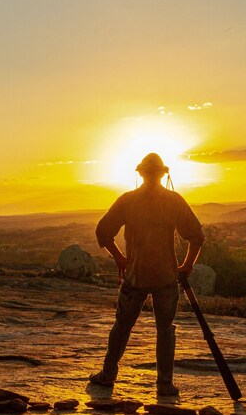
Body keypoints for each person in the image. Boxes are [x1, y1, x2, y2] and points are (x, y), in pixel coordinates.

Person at [88, 152, 205, 396]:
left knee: (122, 326)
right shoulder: (173, 201)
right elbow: (197, 236)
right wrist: (187, 266)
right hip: (165, 276)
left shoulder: (128, 201)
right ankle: (164, 384)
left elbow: (103, 232)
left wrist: (120, 258)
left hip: (136, 275)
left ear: (140, 173)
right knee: (165, 329)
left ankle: (108, 375)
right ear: (163, 174)